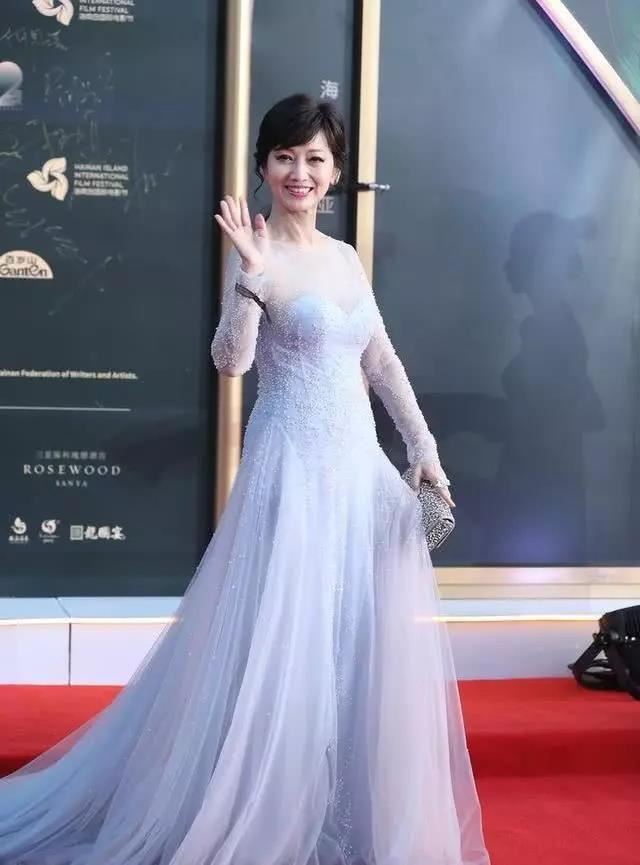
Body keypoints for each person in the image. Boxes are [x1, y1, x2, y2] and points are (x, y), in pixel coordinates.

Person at [0, 93, 490, 865]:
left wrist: (422, 446)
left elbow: (380, 359)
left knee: (352, 644)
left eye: (315, 158)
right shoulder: (256, 254)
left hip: (356, 473)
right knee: (280, 643)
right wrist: (253, 282)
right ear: (263, 164)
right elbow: (231, 361)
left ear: (335, 172)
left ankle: (341, 814)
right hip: (289, 471)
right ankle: (265, 810)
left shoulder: (343, 257)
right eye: (285, 156)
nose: (300, 172)